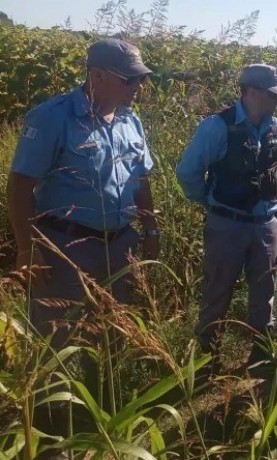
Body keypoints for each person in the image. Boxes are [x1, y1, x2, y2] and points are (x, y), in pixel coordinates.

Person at [6, 37, 158, 457]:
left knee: (113, 336)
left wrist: (152, 234)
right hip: (65, 247)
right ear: (97, 76)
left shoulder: (131, 121)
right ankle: (52, 436)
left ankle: (102, 419)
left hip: (121, 246)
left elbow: (143, 183)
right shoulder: (54, 118)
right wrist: (27, 250)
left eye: (140, 79)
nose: (137, 87)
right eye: (129, 79)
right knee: (56, 342)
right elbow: (20, 187)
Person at [175, 63, 277, 374]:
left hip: (266, 225)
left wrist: (273, 210)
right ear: (250, 92)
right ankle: (206, 362)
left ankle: (261, 357)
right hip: (226, 224)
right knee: (217, 291)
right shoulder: (216, 127)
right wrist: (212, 203)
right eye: (271, 95)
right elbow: (188, 173)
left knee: (265, 293)